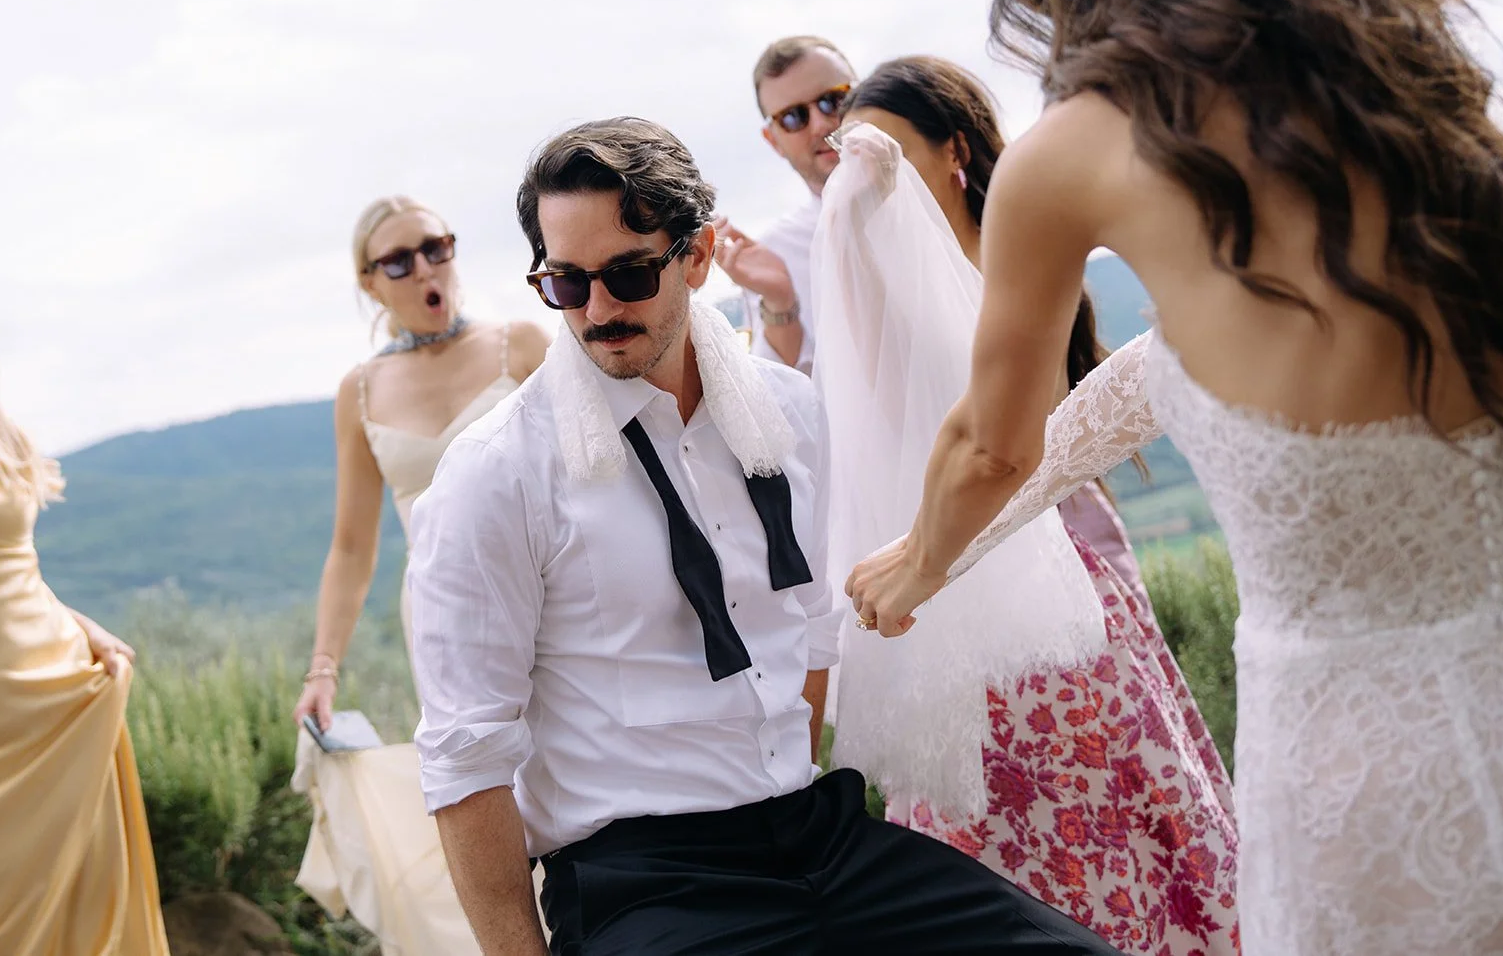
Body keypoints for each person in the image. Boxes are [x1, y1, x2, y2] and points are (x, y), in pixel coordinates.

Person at [846, 0, 1503, 953]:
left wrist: (921, 563)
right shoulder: (1431, 111)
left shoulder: (1072, 155)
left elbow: (990, 442)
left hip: (1359, 787)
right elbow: (1152, 376)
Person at [406, 117, 1123, 955]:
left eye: (630, 274)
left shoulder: (789, 412)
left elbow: (812, 632)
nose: (598, 310)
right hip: (645, 880)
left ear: (698, 256)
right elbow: (467, 755)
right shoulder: (497, 473)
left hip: (818, 834)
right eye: (566, 283)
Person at [814, 57, 1237, 955]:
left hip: (1052, 575)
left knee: (1109, 805)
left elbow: (1025, 429)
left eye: (888, 153)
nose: (869, 176)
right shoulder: (871, 288)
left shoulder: (1019, 262)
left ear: (954, 152)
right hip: (933, 576)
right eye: (851, 160)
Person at [289, 197, 548, 953]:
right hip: (438, 616)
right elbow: (350, 545)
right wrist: (323, 666)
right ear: (371, 283)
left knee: (561, 774)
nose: (425, 267)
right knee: (483, 790)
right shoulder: (361, 391)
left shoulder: (522, 344)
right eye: (399, 260)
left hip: (545, 589)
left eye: (436, 247)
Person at [0, 268, 170, 955]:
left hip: (51, 703)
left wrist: (87, 629)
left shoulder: (0, 438)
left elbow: (18, 573)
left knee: (76, 910)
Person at [714, 35, 857, 374]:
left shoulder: (949, 187)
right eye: (793, 117)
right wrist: (780, 301)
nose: (821, 125)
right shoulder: (775, 252)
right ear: (773, 139)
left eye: (833, 100)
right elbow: (788, 390)